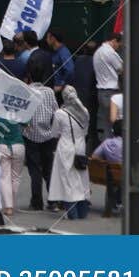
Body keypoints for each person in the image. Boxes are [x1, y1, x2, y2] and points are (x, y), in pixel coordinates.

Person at [48, 85, 91, 219]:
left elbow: (54, 132)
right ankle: (82, 212)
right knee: (81, 179)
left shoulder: (60, 113)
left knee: (68, 180)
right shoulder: (85, 111)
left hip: (66, 147)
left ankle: (72, 214)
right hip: (81, 147)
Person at [92, 34, 123, 142]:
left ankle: (104, 148)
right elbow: (122, 68)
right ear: (114, 41)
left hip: (101, 91)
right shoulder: (110, 52)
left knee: (105, 123)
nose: (119, 47)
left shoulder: (98, 52)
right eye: (119, 44)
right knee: (113, 124)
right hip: (111, 92)